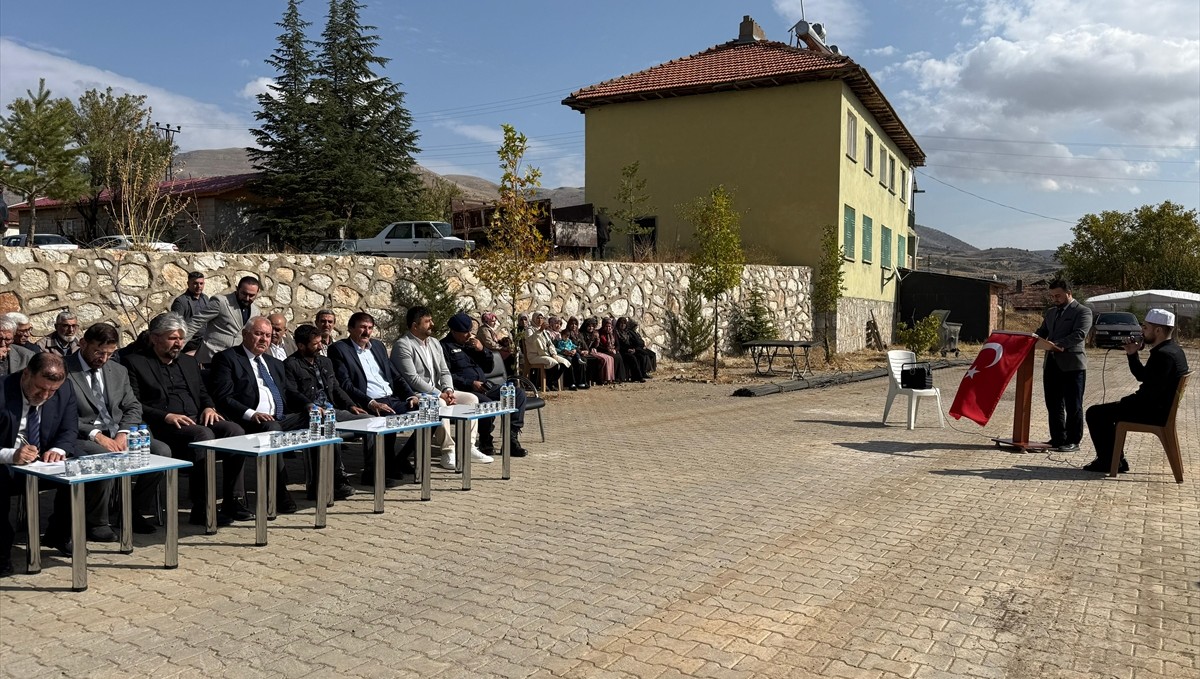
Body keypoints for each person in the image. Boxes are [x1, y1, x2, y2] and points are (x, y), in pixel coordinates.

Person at [123, 313, 251, 527]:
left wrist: (209, 406)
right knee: (203, 435)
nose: (179, 343)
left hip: (196, 418)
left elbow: (202, 392)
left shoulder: (188, 361)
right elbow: (134, 403)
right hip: (164, 426)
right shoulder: (136, 363)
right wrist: (166, 416)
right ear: (155, 338)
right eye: (173, 338)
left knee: (234, 431)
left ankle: (233, 500)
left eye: (181, 338)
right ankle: (202, 507)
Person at [66, 322, 165, 536]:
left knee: (162, 452)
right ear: (83, 343)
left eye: (109, 354)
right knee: (105, 458)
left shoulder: (118, 370)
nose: (102, 359)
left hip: (119, 432)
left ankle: (132, 510)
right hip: (83, 434)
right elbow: (61, 415)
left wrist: (123, 433)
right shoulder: (65, 370)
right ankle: (97, 521)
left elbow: (133, 405)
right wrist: (97, 436)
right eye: (98, 352)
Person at [207, 317, 307, 514]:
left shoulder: (274, 363)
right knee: (273, 430)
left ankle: (327, 481)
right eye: (258, 334)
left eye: (268, 336)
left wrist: (309, 405)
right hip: (248, 421)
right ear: (245, 334)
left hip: (278, 417)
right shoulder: (227, 359)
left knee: (317, 419)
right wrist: (251, 414)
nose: (264, 339)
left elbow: (288, 392)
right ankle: (278, 492)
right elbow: (223, 397)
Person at [1083, 309, 1190, 473]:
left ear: (1158, 330)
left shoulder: (1163, 355)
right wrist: (1132, 353)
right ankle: (1116, 460)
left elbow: (1150, 395)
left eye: (1145, 328)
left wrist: (1124, 402)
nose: (1142, 331)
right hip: (1158, 408)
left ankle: (1109, 462)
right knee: (1104, 412)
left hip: (1154, 412)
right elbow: (1144, 377)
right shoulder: (1173, 350)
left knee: (1095, 413)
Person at [327, 312, 421, 485]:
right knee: (388, 420)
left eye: (370, 328)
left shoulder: (377, 346)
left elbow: (396, 376)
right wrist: (371, 403)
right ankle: (377, 472)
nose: (366, 332)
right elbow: (346, 384)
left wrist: (411, 395)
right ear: (350, 329)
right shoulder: (340, 349)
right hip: (368, 402)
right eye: (362, 327)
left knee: (429, 415)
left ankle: (398, 460)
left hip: (391, 398)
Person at [392, 306, 491, 470]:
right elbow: (412, 378)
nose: (432, 324)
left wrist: (449, 390)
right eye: (427, 321)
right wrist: (440, 395)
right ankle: (448, 451)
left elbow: (445, 371)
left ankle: (468, 446)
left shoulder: (434, 343)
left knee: (471, 399)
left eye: (431, 320)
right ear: (415, 326)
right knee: (439, 404)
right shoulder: (403, 345)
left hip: (439, 391)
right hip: (416, 394)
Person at [0, 352, 73, 570]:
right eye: (40, 388)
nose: (45, 395)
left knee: (81, 473)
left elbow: (70, 429)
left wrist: (59, 449)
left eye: (52, 391)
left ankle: (59, 534)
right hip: (6, 461)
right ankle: (2, 553)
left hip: (42, 459)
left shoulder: (65, 389)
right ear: (26, 374)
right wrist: (10, 455)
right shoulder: (3, 391)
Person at [285, 323, 368, 501]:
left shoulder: (325, 361)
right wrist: (309, 405)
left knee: (370, 421)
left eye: (320, 342)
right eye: (315, 344)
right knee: (328, 429)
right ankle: (336, 480)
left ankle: (374, 471)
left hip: (332, 409)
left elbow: (336, 387)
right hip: (312, 414)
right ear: (301, 346)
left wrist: (350, 405)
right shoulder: (291, 365)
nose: (320, 346)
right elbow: (292, 392)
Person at [440, 312, 529, 457]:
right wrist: (470, 383)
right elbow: (446, 374)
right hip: (465, 390)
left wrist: (482, 350)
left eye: (470, 331)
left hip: (485, 386)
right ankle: (485, 439)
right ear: (454, 331)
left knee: (517, 394)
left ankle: (511, 439)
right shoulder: (444, 347)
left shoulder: (471, 344)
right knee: (486, 404)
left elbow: (488, 367)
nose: (469, 335)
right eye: (465, 332)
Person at [1034, 279, 1092, 452]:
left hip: (1072, 366)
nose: (1055, 299)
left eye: (1058, 295)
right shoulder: (1051, 312)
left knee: (1073, 405)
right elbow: (1042, 332)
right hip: (1051, 364)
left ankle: (1073, 440)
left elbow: (1079, 334)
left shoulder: (1082, 311)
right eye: (1052, 296)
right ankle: (1058, 438)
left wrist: (1057, 344)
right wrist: (1030, 338)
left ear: (1069, 293)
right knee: (1053, 403)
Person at [187, 275, 261, 364]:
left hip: (235, 362)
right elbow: (196, 322)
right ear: (237, 289)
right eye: (244, 293)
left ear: (257, 293)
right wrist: (178, 344)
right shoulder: (220, 302)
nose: (247, 298)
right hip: (211, 360)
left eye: (252, 295)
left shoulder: (256, 311)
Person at [524, 312, 571, 389]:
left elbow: (550, 344)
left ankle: (550, 383)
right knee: (553, 363)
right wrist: (540, 330)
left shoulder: (544, 332)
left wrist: (553, 354)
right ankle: (544, 384)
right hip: (535, 355)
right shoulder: (529, 329)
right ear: (534, 319)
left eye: (541, 318)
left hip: (546, 354)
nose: (540, 320)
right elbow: (530, 341)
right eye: (538, 318)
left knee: (564, 363)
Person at [171, 271, 210, 354]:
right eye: (195, 283)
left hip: (206, 339)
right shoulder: (181, 302)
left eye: (201, 283)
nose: (199, 286)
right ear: (188, 284)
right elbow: (176, 325)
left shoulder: (205, 299)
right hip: (190, 342)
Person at [548, 316, 588, 390]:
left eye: (560, 324)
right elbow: (551, 347)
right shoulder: (548, 333)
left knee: (579, 359)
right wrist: (563, 351)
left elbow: (570, 344)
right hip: (556, 353)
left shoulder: (561, 333)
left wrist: (574, 350)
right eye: (556, 323)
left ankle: (581, 382)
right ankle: (571, 383)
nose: (558, 326)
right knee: (569, 360)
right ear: (551, 324)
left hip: (566, 353)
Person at [579, 317, 614, 385]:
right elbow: (584, 345)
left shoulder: (594, 333)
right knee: (603, 359)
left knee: (610, 358)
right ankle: (601, 379)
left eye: (592, 326)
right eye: (589, 326)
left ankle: (608, 378)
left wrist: (597, 340)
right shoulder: (581, 334)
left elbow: (595, 345)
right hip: (585, 352)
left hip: (593, 351)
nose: (591, 328)